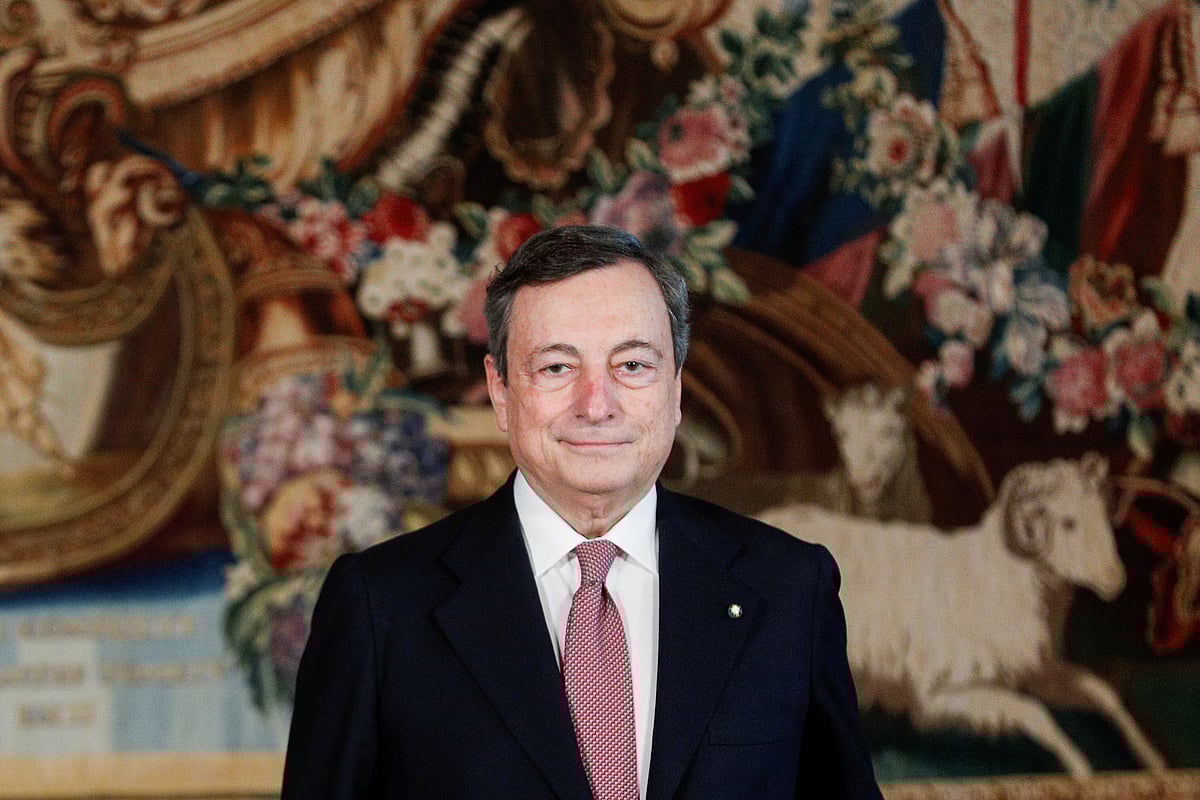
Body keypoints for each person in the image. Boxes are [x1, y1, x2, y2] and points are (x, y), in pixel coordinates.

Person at [281, 225, 883, 799]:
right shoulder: (379, 608)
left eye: (633, 365)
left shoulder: (788, 590)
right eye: (557, 367)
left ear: (675, 389)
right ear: (500, 391)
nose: (597, 405)